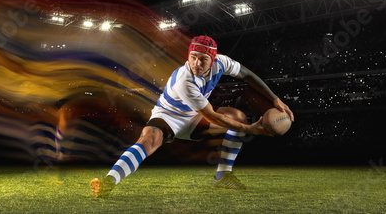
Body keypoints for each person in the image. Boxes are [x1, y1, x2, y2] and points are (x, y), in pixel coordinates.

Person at [90, 35, 294, 197]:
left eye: (203, 59)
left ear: (213, 59)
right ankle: (109, 182)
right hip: (169, 115)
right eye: (193, 57)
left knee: (238, 117)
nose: (196, 63)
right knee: (149, 140)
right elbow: (213, 117)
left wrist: (274, 99)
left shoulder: (221, 63)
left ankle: (222, 176)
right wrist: (251, 130)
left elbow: (248, 75)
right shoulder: (184, 80)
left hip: (195, 118)